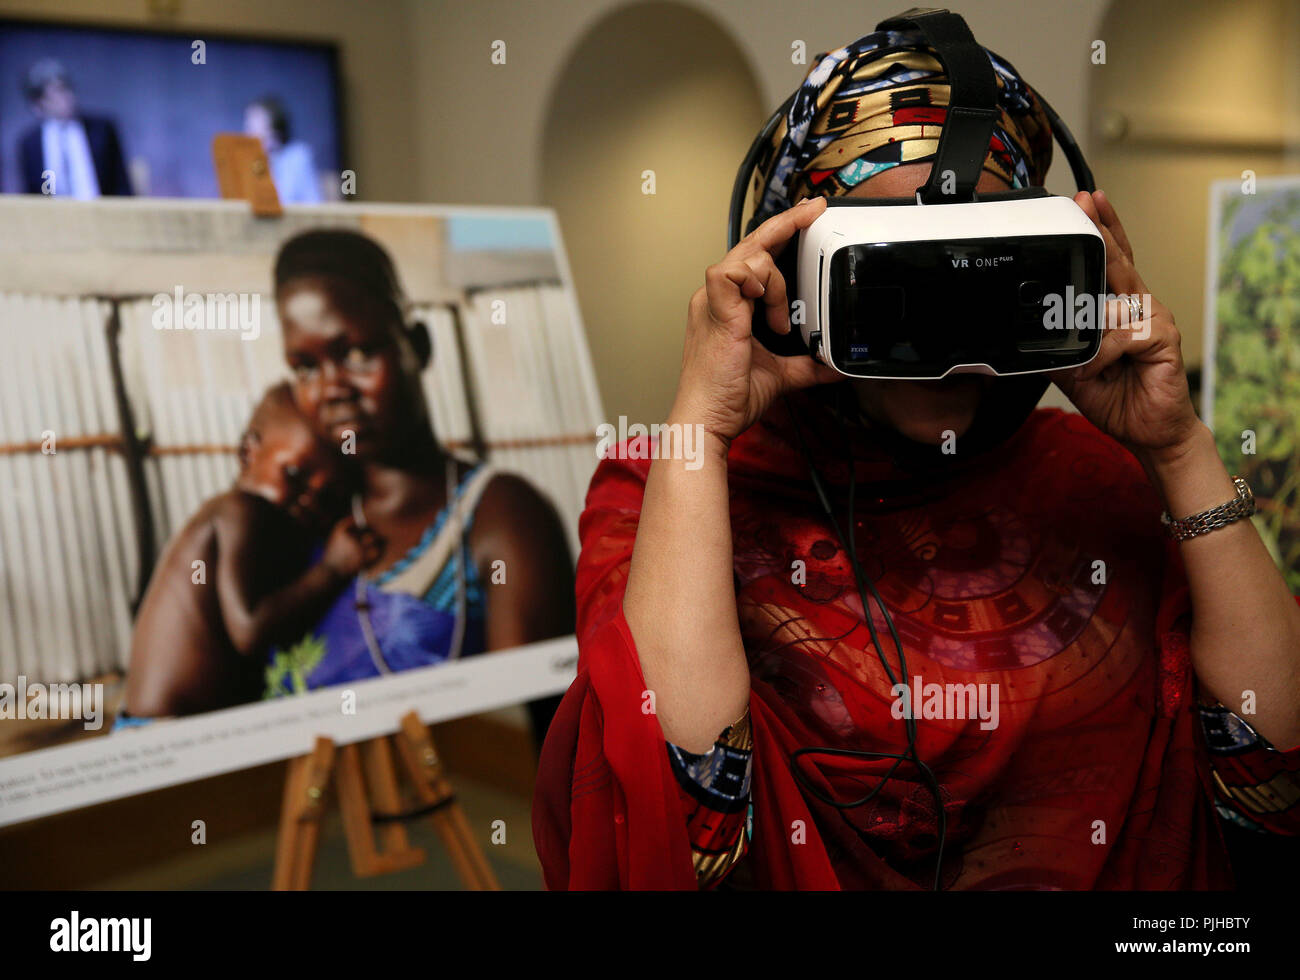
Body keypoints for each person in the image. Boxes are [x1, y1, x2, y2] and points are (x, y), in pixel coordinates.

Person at [533, 27, 1300, 890]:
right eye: (898, 275)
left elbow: (1271, 777)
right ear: (792, 278)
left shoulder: (1101, 478)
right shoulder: (667, 486)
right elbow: (674, 832)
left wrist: (1181, 445)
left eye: (981, 269)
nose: (944, 324)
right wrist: (703, 431)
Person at [269, 229, 572, 742]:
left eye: (358, 353)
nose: (331, 390)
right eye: (305, 367)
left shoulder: (500, 515)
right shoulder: (308, 520)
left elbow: (528, 753)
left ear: (418, 346)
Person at [119, 383, 373, 724]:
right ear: (248, 452)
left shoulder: (263, 529)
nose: (308, 499)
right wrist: (333, 568)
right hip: (165, 734)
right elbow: (250, 630)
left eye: (327, 497)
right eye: (295, 475)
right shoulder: (239, 511)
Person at [18, 59, 132, 198]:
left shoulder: (102, 130)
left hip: (100, 212)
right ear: (38, 104)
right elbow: (31, 195)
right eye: (55, 93)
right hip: (53, 216)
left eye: (66, 89)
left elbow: (122, 185)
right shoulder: (30, 144)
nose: (66, 98)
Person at [244, 96, 322, 204]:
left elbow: (312, 202)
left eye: (254, 121)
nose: (248, 129)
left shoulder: (298, 155)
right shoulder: (250, 161)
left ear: (274, 127)